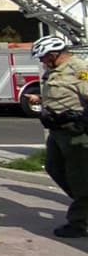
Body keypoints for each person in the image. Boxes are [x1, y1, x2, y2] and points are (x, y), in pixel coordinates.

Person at [23, 35, 88, 238]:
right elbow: (62, 95)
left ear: (53, 54)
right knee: (54, 168)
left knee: (81, 179)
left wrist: (81, 118)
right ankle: (83, 204)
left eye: (43, 58)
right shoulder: (54, 72)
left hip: (76, 134)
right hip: (57, 132)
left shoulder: (78, 69)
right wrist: (40, 99)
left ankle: (80, 222)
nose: (42, 62)